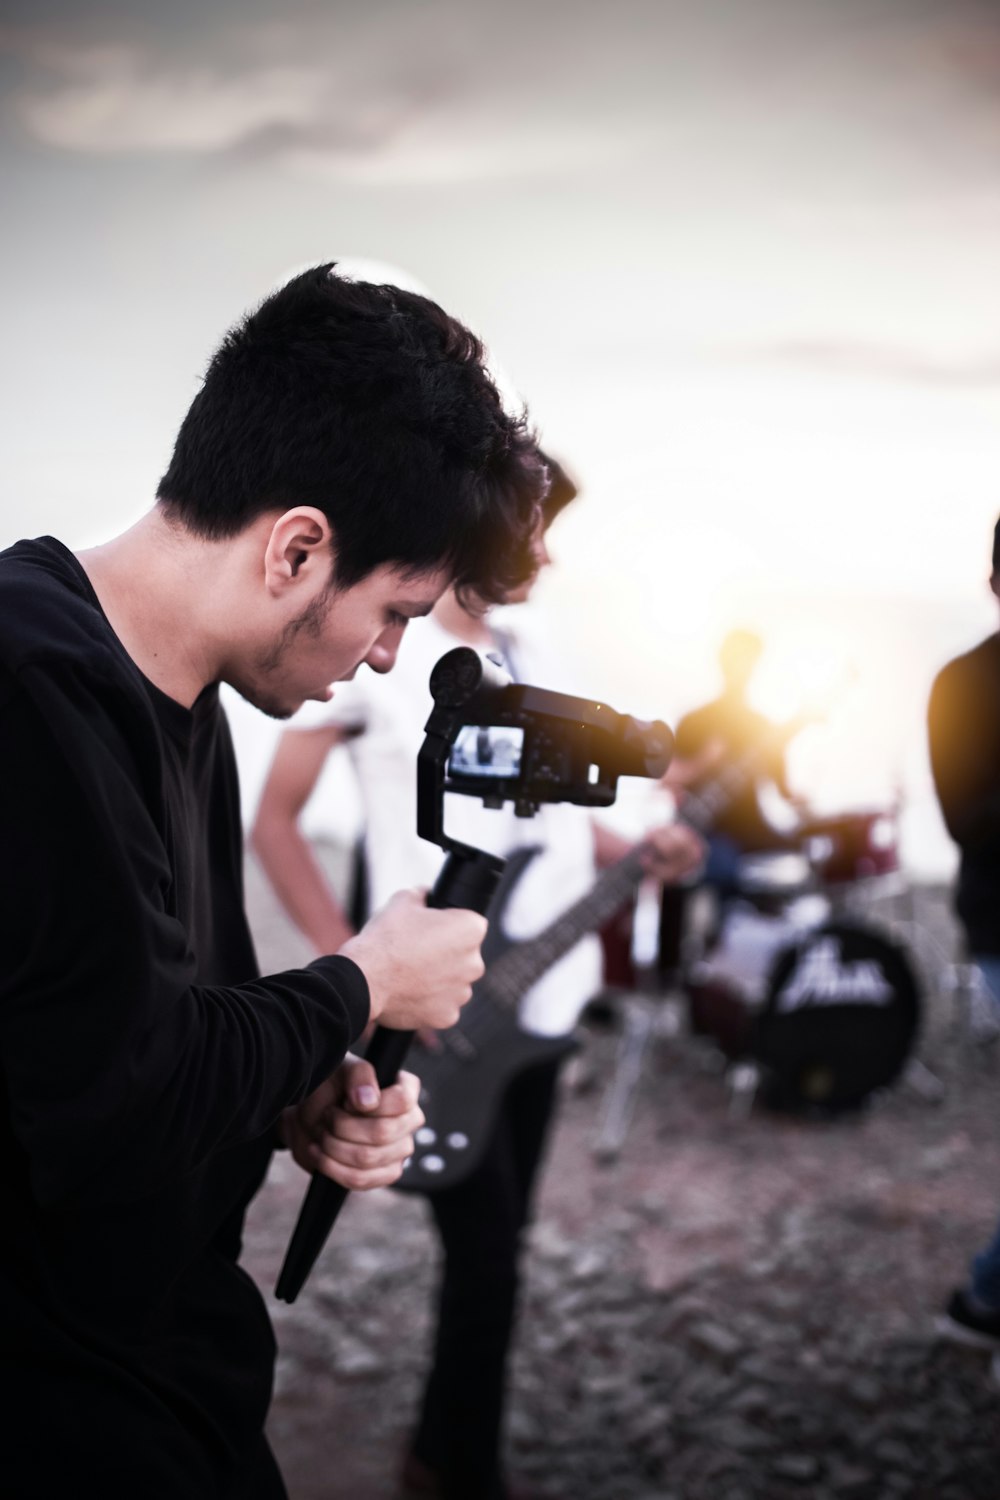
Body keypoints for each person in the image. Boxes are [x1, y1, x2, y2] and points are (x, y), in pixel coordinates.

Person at [0, 263, 549, 1498]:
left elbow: (150, 1037)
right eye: (397, 610)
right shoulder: (31, 686)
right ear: (300, 547)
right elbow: (115, 1101)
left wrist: (299, 1092)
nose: (390, 655)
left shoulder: (185, 698)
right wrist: (359, 984)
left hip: (170, 1367)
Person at [253, 456, 704, 1500]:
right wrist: (358, 974)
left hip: (541, 1001)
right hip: (429, 1004)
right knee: (490, 1252)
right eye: (536, 528)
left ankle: (448, 1453)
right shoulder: (376, 651)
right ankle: (454, 1465)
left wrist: (648, 852)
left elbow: (549, 819)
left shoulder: (530, 650)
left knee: (501, 1246)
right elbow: (273, 821)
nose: (546, 551)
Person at [927, 513, 1000, 1355]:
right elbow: (966, 821)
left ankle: (986, 1298)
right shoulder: (962, 684)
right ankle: (986, 1299)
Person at [657, 627, 806, 979]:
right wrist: (703, 765)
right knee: (703, 865)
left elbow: (783, 788)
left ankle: (795, 955)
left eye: (751, 662)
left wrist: (802, 802)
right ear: (724, 662)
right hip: (705, 830)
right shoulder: (696, 721)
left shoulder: (761, 725)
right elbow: (667, 780)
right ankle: (680, 970)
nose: (745, 669)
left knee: (811, 855)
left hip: (751, 830)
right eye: (739, 660)